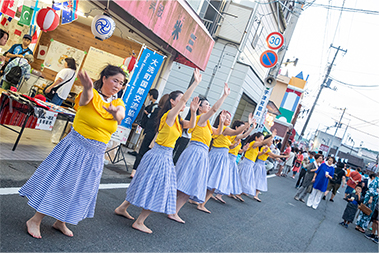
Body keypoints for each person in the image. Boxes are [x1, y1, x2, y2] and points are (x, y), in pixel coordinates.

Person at [18, 65, 127, 239]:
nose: (117, 85)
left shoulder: (118, 103)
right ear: (104, 78)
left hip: (95, 154)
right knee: (59, 184)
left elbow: (120, 115)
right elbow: (85, 99)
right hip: (76, 148)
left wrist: (115, 113)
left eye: (121, 83)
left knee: (79, 189)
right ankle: (35, 220)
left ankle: (61, 220)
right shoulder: (91, 94)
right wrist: (88, 87)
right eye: (115, 80)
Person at [114, 69, 202, 234]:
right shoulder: (169, 114)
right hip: (160, 155)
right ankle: (140, 221)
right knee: (159, 189)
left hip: (162, 155)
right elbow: (184, 98)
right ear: (173, 102)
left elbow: (192, 126)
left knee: (144, 183)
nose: (184, 103)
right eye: (181, 101)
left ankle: (122, 207)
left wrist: (194, 110)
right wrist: (195, 83)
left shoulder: (177, 119)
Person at [169, 83, 230, 223]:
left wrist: (221, 122)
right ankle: (172, 210)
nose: (209, 107)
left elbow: (218, 132)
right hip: (195, 152)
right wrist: (224, 95)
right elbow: (215, 109)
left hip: (200, 153)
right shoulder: (200, 119)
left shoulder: (207, 123)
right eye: (206, 105)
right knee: (185, 182)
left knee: (187, 183)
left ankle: (173, 210)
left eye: (209, 105)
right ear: (200, 108)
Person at [196, 110, 249, 213]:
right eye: (227, 118)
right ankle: (201, 203)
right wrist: (249, 124)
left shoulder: (226, 132)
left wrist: (250, 127)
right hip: (218, 156)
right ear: (222, 118)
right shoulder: (225, 129)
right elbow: (237, 133)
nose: (229, 120)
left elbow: (240, 136)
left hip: (220, 156)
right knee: (213, 180)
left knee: (208, 179)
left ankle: (199, 201)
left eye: (229, 118)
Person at [213, 115, 256, 203]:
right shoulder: (233, 135)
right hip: (228, 157)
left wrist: (243, 150)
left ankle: (219, 193)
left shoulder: (236, 137)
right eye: (241, 128)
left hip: (233, 159)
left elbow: (237, 148)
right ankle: (217, 193)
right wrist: (250, 126)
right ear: (236, 127)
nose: (243, 129)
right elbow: (242, 136)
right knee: (224, 176)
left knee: (227, 177)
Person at [129, 89, 160, 178]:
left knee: (142, 151)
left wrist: (147, 113)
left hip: (149, 131)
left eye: (149, 95)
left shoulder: (155, 107)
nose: (148, 97)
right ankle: (139, 171)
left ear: (151, 95)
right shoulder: (155, 106)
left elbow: (152, 116)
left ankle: (134, 171)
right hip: (150, 132)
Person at [238, 132, 276, 199]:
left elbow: (258, 154)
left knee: (244, 178)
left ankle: (236, 193)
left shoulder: (257, 147)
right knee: (243, 178)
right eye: (261, 139)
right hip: (247, 163)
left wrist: (263, 152)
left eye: (262, 139)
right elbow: (262, 143)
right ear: (256, 138)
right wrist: (271, 137)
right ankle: (237, 193)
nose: (262, 140)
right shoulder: (254, 143)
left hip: (250, 164)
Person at [252, 134, 289, 202]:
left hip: (260, 164)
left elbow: (270, 156)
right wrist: (283, 156)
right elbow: (272, 155)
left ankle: (254, 193)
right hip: (260, 165)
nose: (272, 142)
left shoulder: (265, 148)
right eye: (271, 141)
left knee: (256, 178)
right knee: (259, 179)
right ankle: (255, 194)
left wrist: (277, 159)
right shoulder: (265, 148)